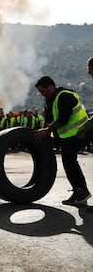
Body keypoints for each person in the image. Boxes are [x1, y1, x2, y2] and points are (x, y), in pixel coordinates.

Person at [34, 76, 91, 205]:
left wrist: (47, 131)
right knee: (68, 162)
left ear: (51, 87)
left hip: (81, 133)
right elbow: (49, 120)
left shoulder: (65, 95)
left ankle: (82, 192)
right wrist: (45, 132)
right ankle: (79, 192)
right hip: (67, 136)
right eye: (40, 92)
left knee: (70, 161)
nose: (42, 94)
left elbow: (64, 118)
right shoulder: (49, 101)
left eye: (43, 91)